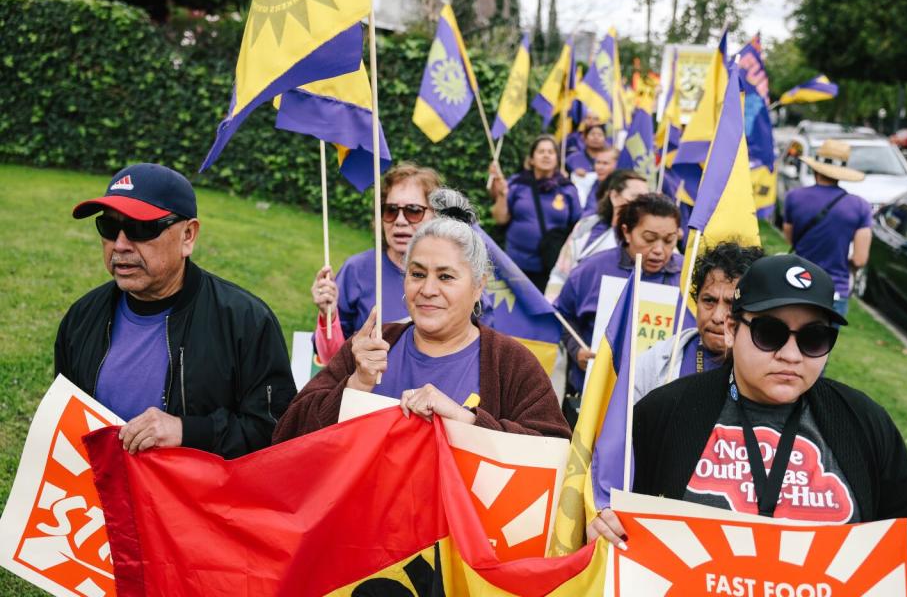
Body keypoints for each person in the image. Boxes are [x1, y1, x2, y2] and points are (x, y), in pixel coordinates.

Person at [588, 255, 907, 548]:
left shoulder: (865, 422)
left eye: (814, 338)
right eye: (770, 333)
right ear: (732, 330)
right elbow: (609, 510)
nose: (791, 355)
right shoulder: (663, 413)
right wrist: (600, 525)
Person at [273, 189, 571, 441]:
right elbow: (287, 435)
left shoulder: (511, 363)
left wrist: (462, 420)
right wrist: (355, 385)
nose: (427, 289)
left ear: (479, 285)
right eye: (417, 274)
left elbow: (552, 450)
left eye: (446, 277)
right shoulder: (371, 346)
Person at [55, 163, 296, 458]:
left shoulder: (246, 322)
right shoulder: (81, 318)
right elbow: (64, 419)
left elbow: (278, 431)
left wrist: (187, 431)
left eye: (140, 228)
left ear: (188, 236)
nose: (119, 244)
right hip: (100, 494)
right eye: (108, 227)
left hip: (197, 499)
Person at [554, 193, 683, 396]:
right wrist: (576, 349)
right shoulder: (591, 270)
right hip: (595, 395)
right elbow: (560, 316)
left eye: (669, 240)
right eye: (649, 238)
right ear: (627, 232)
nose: (659, 250)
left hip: (663, 398)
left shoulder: (688, 275)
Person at [310, 163, 441, 362]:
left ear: (437, 216)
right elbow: (330, 359)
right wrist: (329, 315)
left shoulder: (454, 276)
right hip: (367, 390)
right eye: (390, 210)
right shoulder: (357, 270)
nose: (399, 221)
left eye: (413, 211)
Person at [633, 242, 765, 399]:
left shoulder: (776, 368)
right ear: (696, 301)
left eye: (732, 304)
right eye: (709, 300)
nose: (717, 317)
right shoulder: (656, 362)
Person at [783, 140, 872, 318]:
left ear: (816, 168)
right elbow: (860, 259)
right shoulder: (860, 206)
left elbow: (790, 238)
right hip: (834, 290)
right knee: (820, 345)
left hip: (797, 282)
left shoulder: (794, 197)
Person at [489, 136, 582, 292]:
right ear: (531, 159)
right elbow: (500, 219)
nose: (546, 155)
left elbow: (577, 226)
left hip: (551, 266)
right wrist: (502, 195)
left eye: (550, 152)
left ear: (557, 159)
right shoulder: (518, 184)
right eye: (541, 152)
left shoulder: (567, 189)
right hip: (516, 265)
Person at [545, 170, 647, 302]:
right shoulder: (587, 226)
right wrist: (551, 307)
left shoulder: (653, 238)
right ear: (615, 197)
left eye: (647, 198)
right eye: (636, 197)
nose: (643, 205)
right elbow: (560, 273)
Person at [580, 147, 619, 216]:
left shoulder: (622, 187)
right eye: (598, 162)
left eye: (605, 163)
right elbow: (589, 211)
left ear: (617, 165)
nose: (600, 167)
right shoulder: (596, 184)